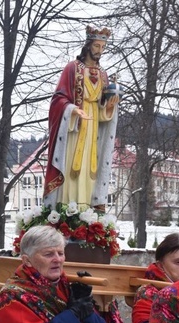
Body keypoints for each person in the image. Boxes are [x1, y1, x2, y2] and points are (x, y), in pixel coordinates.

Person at [44, 26, 119, 209]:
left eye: (103, 47)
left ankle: (86, 208)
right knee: (72, 167)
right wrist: (72, 110)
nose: (99, 51)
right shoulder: (72, 68)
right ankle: (67, 209)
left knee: (89, 168)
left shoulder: (103, 74)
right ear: (88, 46)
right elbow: (58, 99)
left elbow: (102, 110)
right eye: (96, 46)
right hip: (74, 128)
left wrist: (108, 108)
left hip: (93, 128)